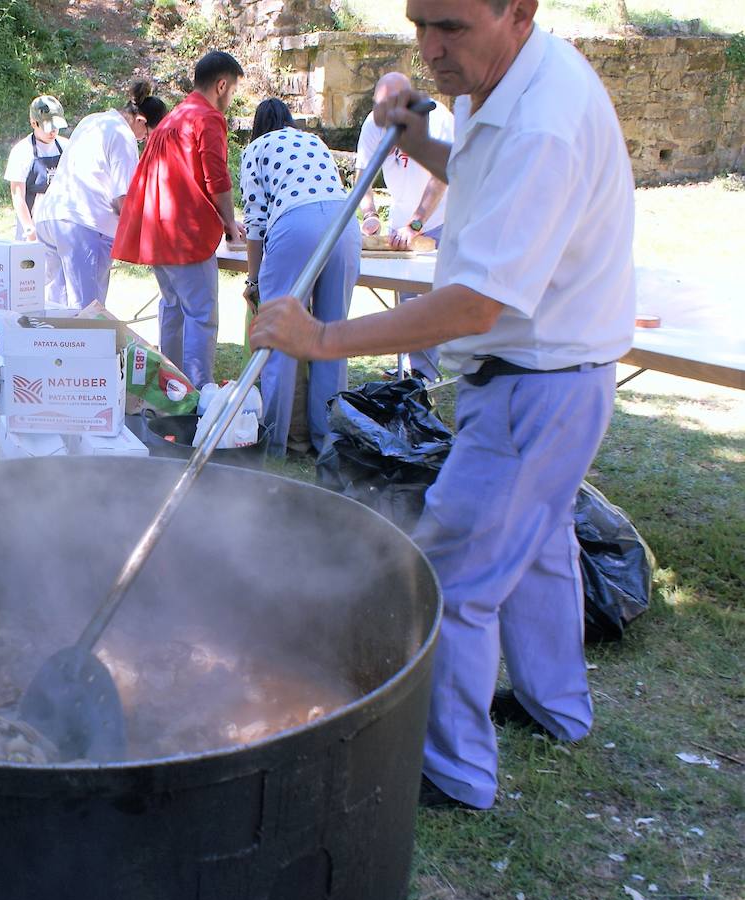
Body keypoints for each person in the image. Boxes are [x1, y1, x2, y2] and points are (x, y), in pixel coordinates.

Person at [249, 0, 635, 811]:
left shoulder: (545, 123)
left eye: (451, 28)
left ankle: (454, 772)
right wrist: (419, 138)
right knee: (539, 546)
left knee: (454, 572)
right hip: (553, 375)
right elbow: (486, 177)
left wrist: (321, 338)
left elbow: (474, 305)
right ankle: (555, 706)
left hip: (537, 380)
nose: (430, 49)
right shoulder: (509, 82)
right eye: (420, 22)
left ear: (518, 11)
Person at [112, 51, 245, 389]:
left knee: (172, 309)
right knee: (201, 315)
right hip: (185, 236)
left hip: (156, 232)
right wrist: (230, 223)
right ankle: (200, 391)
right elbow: (218, 178)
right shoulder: (207, 118)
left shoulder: (172, 118)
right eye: (232, 91)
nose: (230, 99)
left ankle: (171, 388)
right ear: (221, 85)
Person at [240, 99, 359, 456]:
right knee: (332, 336)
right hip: (344, 224)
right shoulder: (314, 142)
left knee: (279, 336)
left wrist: (254, 280)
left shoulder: (256, 148)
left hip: (295, 224)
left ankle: (276, 440)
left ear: (259, 125)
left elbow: (256, 223)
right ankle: (327, 439)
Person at [33, 83, 168, 311]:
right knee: (87, 314)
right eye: (146, 137)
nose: (143, 142)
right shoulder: (123, 135)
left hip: (50, 217)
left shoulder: (93, 120)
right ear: (141, 121)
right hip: (84, 225)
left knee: (56, 310)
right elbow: (123, 201)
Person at [357, 72, 455, 380]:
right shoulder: (373, 125)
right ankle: (410, 367)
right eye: (379, 107)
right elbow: (363, 175)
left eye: (390, 107)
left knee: (432, 297)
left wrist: (416, 224)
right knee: (404, 297)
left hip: (442, 218)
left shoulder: (437, 119)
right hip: (401, 219)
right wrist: (370, 213)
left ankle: (424, 374)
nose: (384, 115)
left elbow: (441, 178)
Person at [5, 95, 69, 304]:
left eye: (56, 127)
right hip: (33, 222)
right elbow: (18, 195)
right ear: (34, 123)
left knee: (59, 280)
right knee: (29, 279)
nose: (53, 132)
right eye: (48, 127)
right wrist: (28, 228)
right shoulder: (22, 152)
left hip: (61, 222)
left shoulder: (67, 147)